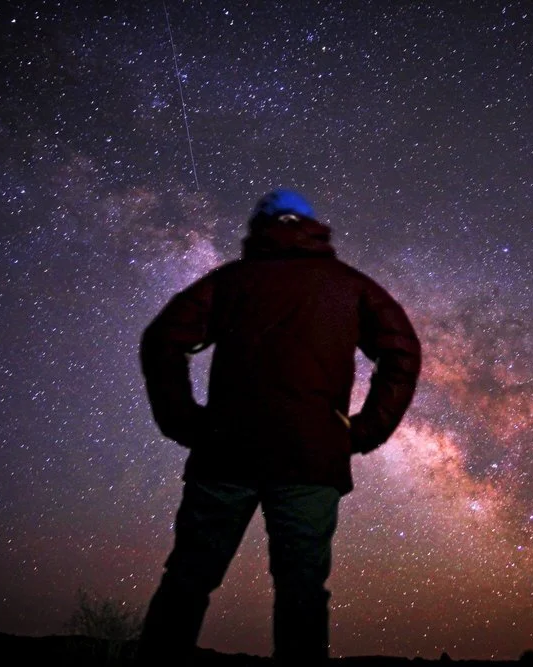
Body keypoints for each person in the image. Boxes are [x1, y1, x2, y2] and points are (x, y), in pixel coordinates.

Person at [134, 189, 422, 665]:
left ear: (259, 227)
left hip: (225, 452)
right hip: (311, 460)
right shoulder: (350, 286)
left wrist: (185, 420)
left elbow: (164, 339)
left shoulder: (230, 282)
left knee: (188, 579)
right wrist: (363, 431)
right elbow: (402, 352)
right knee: (302, 590)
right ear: (314, 227)